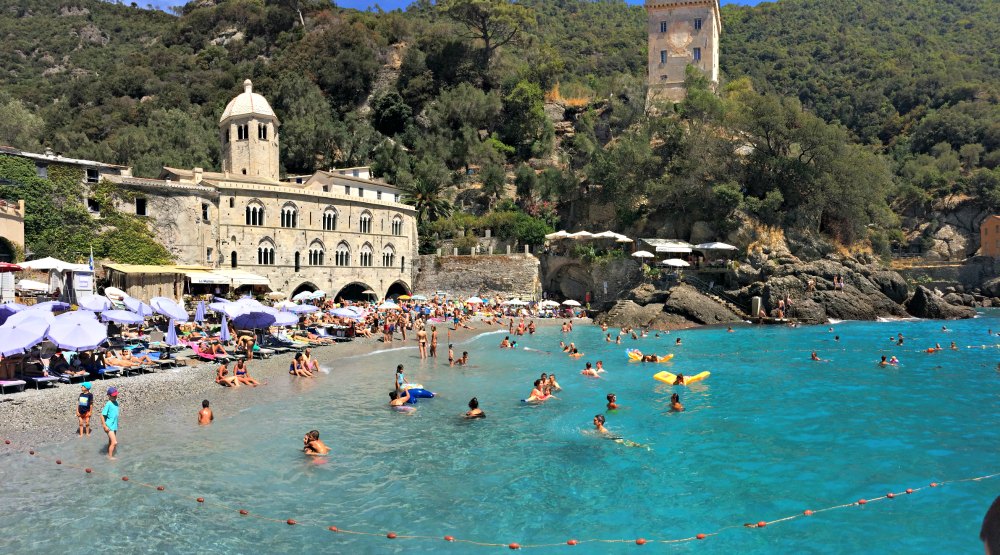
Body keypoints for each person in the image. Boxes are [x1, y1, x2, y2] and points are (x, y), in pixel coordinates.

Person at [101, 386, 120, 459]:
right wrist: (104, 426)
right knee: (114, 442)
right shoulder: (108, 403)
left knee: (111, 441)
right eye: (113, 395)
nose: (115, 396)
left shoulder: (116, 402)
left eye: (116, 395)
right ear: (108, 396)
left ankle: (109, 452)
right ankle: (110, 457)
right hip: (109, 426)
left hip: (114, 425)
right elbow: (102, 415)